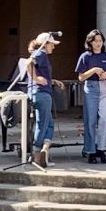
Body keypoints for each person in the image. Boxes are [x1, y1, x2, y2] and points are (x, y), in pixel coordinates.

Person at [76, 29, 106, 164]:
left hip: (104, 86)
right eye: (95, 41)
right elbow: (80, 77)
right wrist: (93, 70)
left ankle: (101, 148)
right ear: (90, 42)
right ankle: (90, 150)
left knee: (105, 119)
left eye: (100, 41)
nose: (98, 43)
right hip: (90, 87)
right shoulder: (85, 56)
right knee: (90, 120)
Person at [27, 32, 61, 167]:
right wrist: (36, 79)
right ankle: (37, 154)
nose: (53, 47)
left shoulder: (39, 54)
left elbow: (39, 72)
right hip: (42, 94)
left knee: (49, 123)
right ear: (45, 44)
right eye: (52, 44)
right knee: (43, 124)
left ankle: (44, 149)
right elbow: (29, 64)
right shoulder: (40, 54)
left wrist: (51, 80)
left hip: (38, 92)